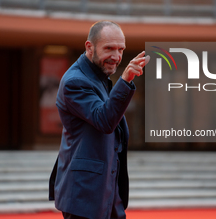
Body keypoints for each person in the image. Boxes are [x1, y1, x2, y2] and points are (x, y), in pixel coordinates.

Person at [49, 20, 148, 219]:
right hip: (84, 196)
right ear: (89, 47)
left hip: (106, 194)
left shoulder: (98, 76)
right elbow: (104, 121)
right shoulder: (75, 81)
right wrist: (125, 80)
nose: (116, 56)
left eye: (121, 49)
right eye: (109, 48)